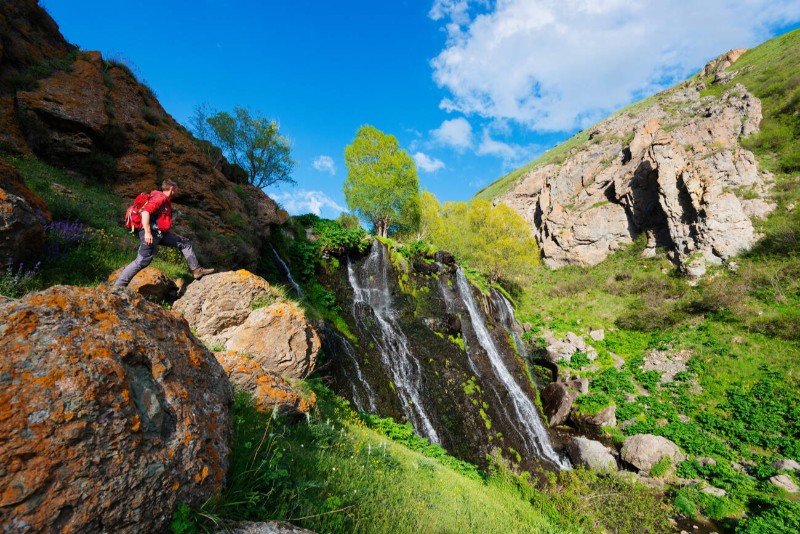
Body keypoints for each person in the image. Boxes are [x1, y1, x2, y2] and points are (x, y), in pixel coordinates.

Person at [113, 179, 213, 290]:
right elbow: (145, 212)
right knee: (143, 260)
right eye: (176, 189)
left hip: (160, 233)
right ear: (172, 188)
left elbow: (160, 222)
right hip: (150, 233)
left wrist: (173, 235)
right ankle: (118, 286)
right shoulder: (160, 198)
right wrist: (147, 232)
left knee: (185, 243)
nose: (177, 191)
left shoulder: (165, 201)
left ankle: (197, 270)